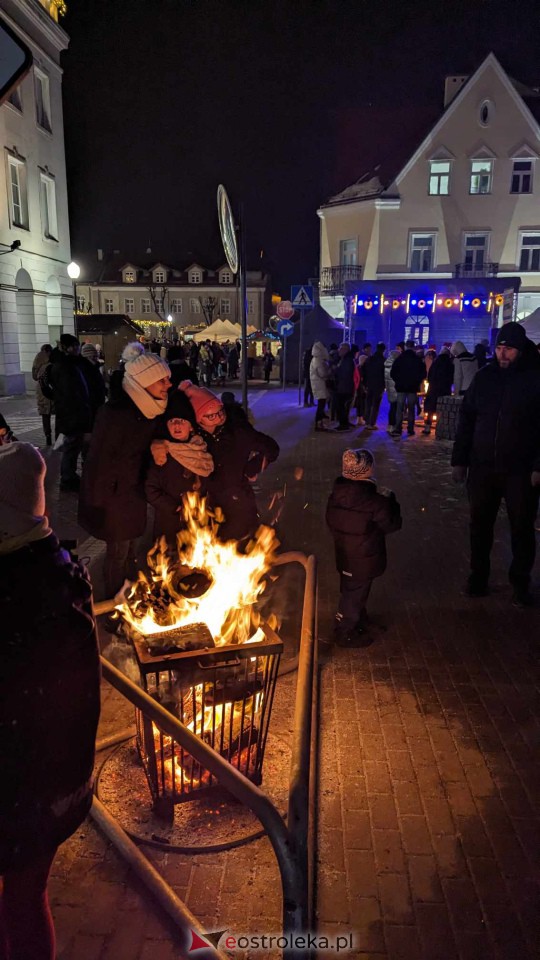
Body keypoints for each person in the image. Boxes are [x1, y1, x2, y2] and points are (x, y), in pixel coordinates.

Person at [0, 442, 100, 960]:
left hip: (21, 793)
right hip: (49, 789)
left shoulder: (23, 594)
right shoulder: (53, 571)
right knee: (23, 895)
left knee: (20, 899)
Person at [451, 322, 540, 605]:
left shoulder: (534, 379)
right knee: (479, 526)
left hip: (520, 469)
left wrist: (538, 465)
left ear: (520, 350)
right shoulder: (485, 377)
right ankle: (478, 577)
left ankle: (520, 582)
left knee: (522, 528)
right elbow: (467, 419)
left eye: (509, 350)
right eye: (500, 348)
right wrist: (460, 459)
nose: (502, 355)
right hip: (483, 467)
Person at [78, 353, 171, 597]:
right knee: (118, 554)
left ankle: (132, 598)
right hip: (113, 499)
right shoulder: (116, 413)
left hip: (132, 494)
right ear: (144, 381)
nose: (168, 385)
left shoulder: (148, 410)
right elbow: (98, 462)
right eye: (162, 380)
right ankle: (114, 607)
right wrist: (100, 505)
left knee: (130, 550)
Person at [178, 380, 279, 541]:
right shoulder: (194, 437)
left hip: (237, 497)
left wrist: (252, 468)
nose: (218, 418)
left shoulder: (238, 431)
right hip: (208, 500)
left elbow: (272, 448)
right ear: (198, 419)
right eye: (211, 415)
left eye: (220, 411)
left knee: (241, 538)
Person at [326, 448, 402, 647]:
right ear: (366, 470)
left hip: (344, 553)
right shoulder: (375, 502)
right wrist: (391, 502)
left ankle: (359, 618)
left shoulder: (336, 496)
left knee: (353, 590)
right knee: (353, 594)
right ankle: (345, 631)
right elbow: (392, 524)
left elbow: (331, 521)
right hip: (365, 557)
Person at [145, 391, 214, 544]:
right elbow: (150, 489)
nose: (177, 425)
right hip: (169, 525)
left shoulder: (201, 449)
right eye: (172, 421)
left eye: (182, 420)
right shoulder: (161, 453)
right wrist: (175, 508)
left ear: (191, 427)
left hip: (198, 522)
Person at [48, 334, 94, 492]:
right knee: (71, 446)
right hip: (71, 413)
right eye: (72, 346)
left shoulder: (68, 364)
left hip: (72, 412)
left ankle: (69, 476)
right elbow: (70, 393)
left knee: (73, 446)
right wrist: (80, 408)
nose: (76, 348)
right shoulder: (64, 366)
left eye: (77, 345)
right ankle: (67, 478)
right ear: (65, 347)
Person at [390, 340, 426, 437]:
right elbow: (423, 373)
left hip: (401, 387)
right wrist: (416, 382)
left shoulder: (400, 359)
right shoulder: (417, 360)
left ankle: (398, 428)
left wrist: (398, 381)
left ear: (405, 347)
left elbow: (393, 373)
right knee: (411, 409)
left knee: (400, 408)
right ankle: (410, 429)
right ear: (413, 347)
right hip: (413, 387)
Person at [423, 346, 454, 434]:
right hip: (445, 390)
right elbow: (452, 378)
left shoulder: (435, 363)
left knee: (430, 408)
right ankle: (441, 428)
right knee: (442, 409)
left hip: (433, 389)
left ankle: (427, 427)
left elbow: (429, 376)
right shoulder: (450, 364)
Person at [32, 343, 55, 446]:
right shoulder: (52, 364)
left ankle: (48, 437)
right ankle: (58, 438)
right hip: (52, 392)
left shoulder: (37, 362)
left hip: (41, 391)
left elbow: (35, 377)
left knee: (45, 415)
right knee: (57, 413)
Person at [363, 342, 386, 429]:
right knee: (376, 404)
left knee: (368, 403)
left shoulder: (370, 359)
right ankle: (372, 423)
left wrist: (365, 383)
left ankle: (367, 421)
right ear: (383, 350)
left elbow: (364, 372)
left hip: (369, 384)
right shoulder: (383, 360)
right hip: (379, 385)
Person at [310, 341, 331, 431]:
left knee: (321, 404)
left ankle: (320, 423)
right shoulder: (318, 360)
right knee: (321, 405)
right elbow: (322, 373)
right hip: (320, 385)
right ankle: (318, 424)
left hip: (318, 385)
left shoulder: (315, 359)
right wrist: (329, 371)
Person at [334, 342, 356, 431]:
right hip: (344, 386)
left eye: (341, 348)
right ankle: (344, 422)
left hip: (344, 387)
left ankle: (343, 424)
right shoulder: (345, 359)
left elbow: (345, 374)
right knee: (343, 406)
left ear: (346, 350)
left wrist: (336, 370)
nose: (339, 350)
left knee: (341, 406)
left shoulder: (347, 360)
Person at [384, 348, 400, 433]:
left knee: (392, 407)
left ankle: (390, 425)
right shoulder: (396, 365)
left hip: (389, 388)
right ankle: (393, 425)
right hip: (396, 388)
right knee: (395, 408)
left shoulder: (387, 364)